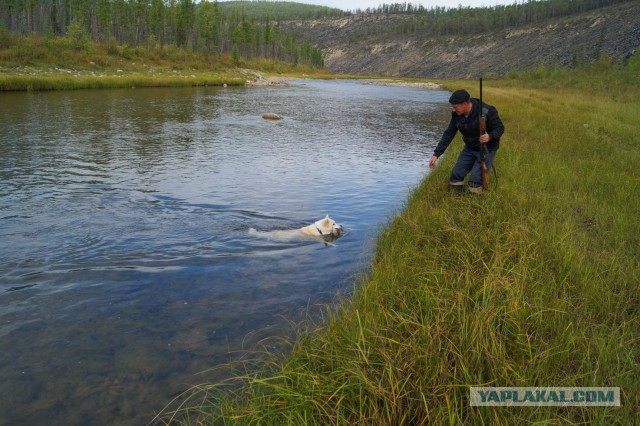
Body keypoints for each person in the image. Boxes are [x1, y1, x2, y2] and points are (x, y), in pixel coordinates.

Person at [429, 89, 504, 194]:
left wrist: (490, 136)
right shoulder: (456, 114)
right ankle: (456, 199)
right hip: (470, 148)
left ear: (465, 104)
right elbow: (449, 134)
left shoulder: (487, 111)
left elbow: (500, 128)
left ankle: (476, 203)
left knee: (475, 180)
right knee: (456, 175)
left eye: (455, 107)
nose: (453, 110)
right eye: (452, 107)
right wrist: (436, 154)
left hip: (487, 149)